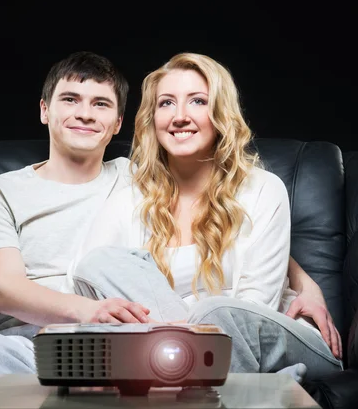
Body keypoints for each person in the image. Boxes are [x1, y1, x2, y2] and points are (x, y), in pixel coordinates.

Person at [0, 51, 340, 409]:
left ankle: (188, 356)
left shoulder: (128, 176)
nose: (83, 114)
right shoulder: (2, 190)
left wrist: (303, 282)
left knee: (196, 321)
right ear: (44, 109)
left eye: (100, 104)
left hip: (148, 335)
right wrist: (90, 315)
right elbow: (10, 290)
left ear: (118, 123)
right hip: (76, 334)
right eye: (70, 99)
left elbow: (243, 245)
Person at [71, 52, 343, 381]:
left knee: (214, 311)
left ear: (220, 113)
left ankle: (177, 359)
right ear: (152, 117)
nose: (179, 116)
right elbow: (89, 279)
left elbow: (259, 304)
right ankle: (181, 361)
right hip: (172, 356)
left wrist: (171, 336)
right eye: (166, 103)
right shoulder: (131, 194)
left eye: (198, 101)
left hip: (269, 337)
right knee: (97, 262)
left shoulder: (262, 189)